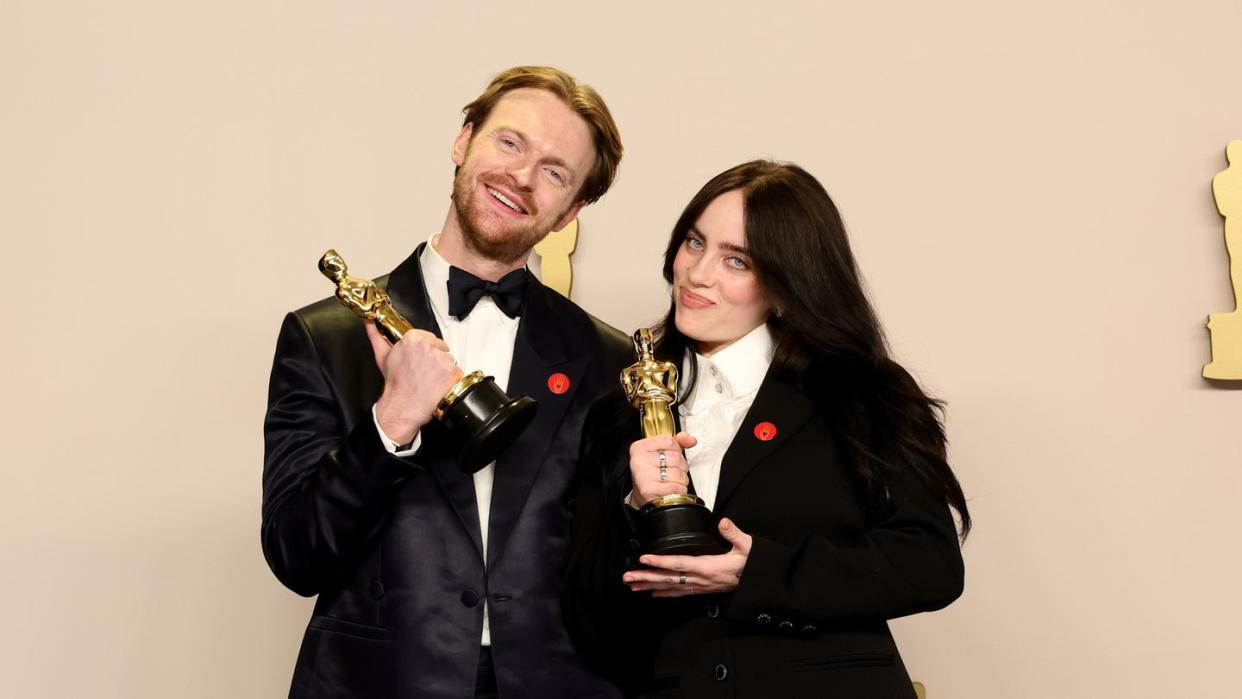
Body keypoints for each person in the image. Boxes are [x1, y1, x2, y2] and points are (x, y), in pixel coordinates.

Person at [262, 66, 629, 699]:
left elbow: (612, 573)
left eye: (554, 171)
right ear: (463, 141)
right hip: (380, 681)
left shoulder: (608, 358)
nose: (520, 176)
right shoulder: (325, 335)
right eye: (509, 143)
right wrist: (392, 421)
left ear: (571, 209)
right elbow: (298, 555)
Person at [565, 160, 971, 699]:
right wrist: (635, 507)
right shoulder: (618, 411)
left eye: (737, 260)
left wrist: (757, 572)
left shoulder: (860, 390)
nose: (699, 272)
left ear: (785, 282)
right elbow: (587, 613)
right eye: (694, 242)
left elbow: (930, 564)